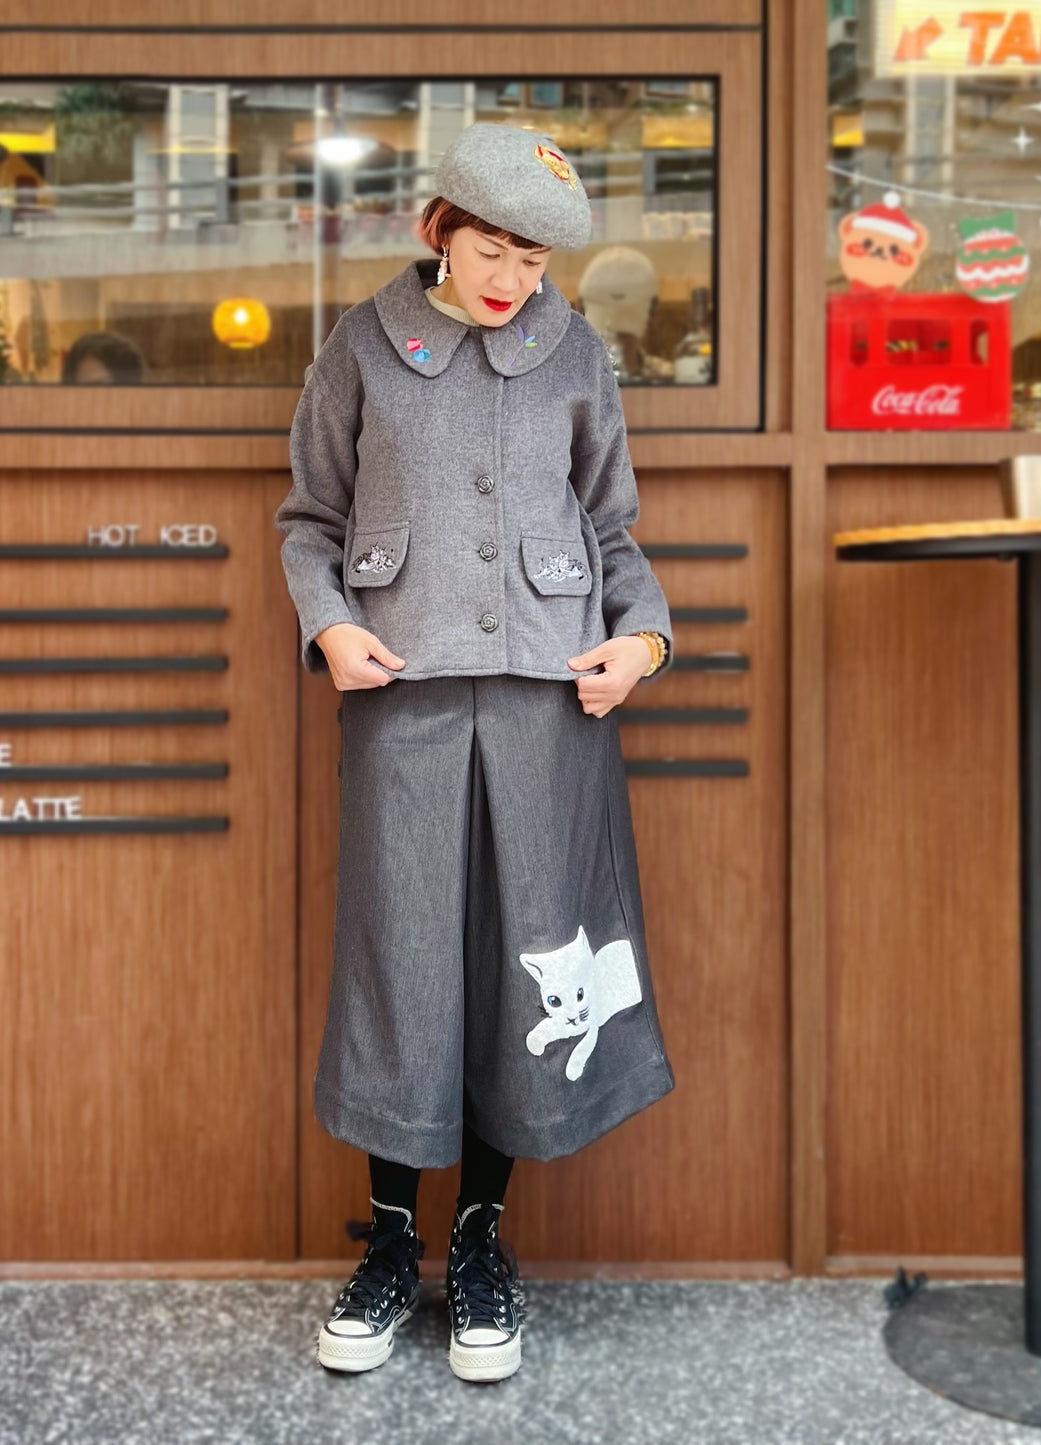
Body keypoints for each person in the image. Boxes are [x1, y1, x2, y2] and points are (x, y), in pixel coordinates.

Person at [274, 122, 675, 1384]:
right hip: (401, 697)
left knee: (529, 959)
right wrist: (331, 625)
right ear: (433, 230)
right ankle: (394, 1242)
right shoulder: (361, 347)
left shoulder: (575, 354)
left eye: (535, 257)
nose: (511, 278)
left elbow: (612, 533)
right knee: (406, 961)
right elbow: (307, 521)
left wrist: (643, 645)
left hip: (552, 704)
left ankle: (483, 1239)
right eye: (492, 246)